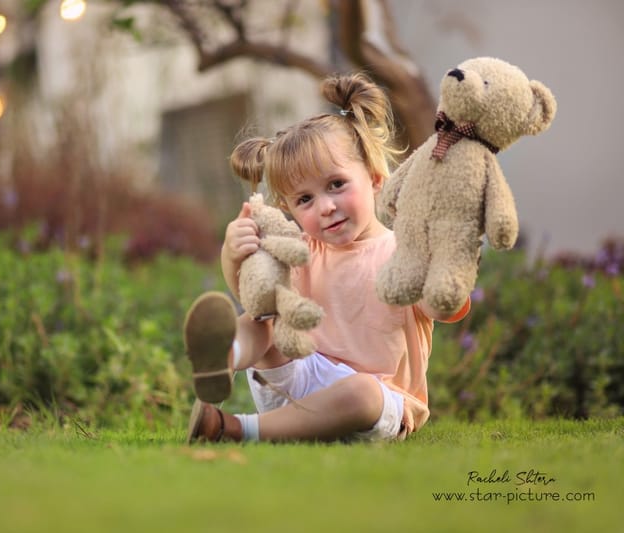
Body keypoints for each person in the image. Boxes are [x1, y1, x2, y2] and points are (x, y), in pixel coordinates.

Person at [184, 72, 470, 444]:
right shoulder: (301, 251)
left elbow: (445, 309)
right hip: (298, 381)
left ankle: (236, 428)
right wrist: (232, 254)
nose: (326, 207)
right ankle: (222, 359)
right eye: (305, 199)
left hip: (375, 406)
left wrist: (443, 279)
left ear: (374, 175)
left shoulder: (404, 252)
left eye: (336, 185)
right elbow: (253, 292)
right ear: (287, 208)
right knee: (261, 321)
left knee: (361, 391)